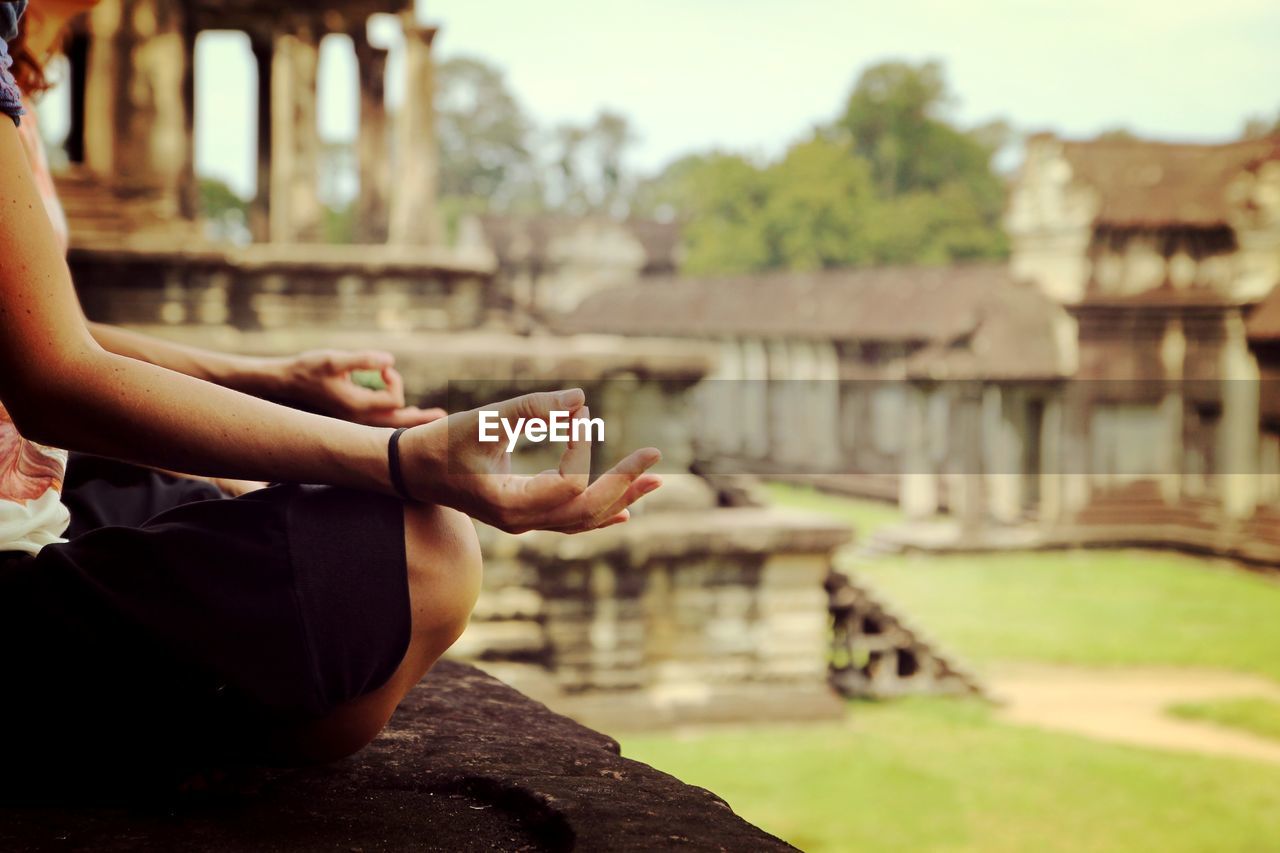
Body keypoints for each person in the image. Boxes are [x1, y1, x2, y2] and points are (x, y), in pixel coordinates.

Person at [0, 0, 661, 793]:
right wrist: (399, 460)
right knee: (431, 555)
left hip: (39, 494)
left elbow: (45, 332)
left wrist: (274, 383)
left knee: (247, 481)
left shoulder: (15, 58)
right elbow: (54, 380)